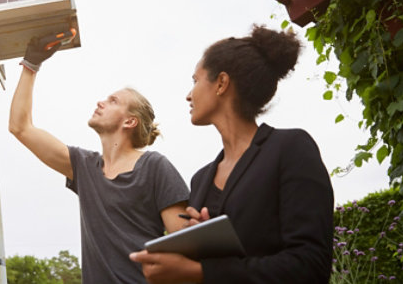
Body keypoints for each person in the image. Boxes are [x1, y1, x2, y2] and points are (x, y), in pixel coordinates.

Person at [130, 26, 334, 283]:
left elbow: (310, 265)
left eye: (195, 80)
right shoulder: (200, 179)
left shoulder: (291, 149)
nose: (188, 95)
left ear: (222, 83)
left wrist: (200, 271)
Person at [9, 34, 190, 283]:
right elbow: (21, 128)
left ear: (129, 121)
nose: (101, 102)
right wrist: (31, 64)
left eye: (112, 101)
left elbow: (185, 247)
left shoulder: (155, 167)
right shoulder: (84, 167)